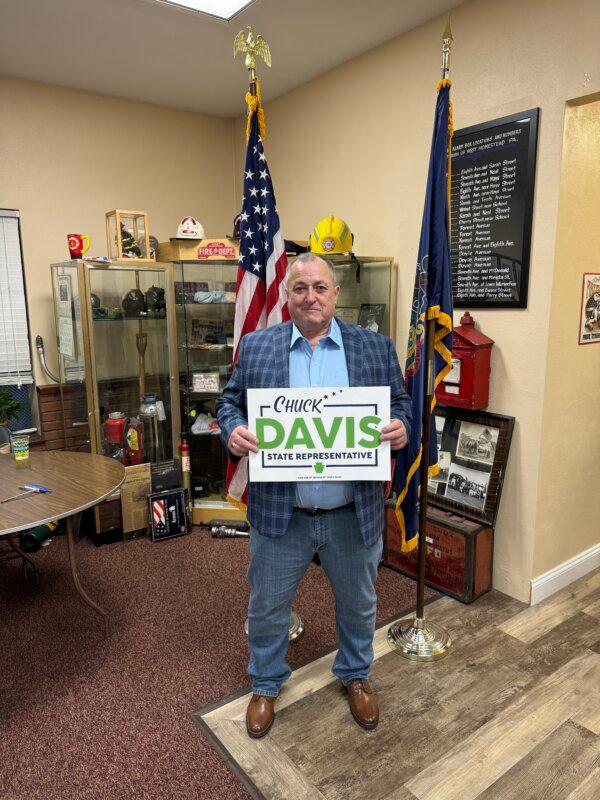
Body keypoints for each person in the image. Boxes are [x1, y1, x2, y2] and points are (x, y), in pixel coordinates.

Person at [216, 253, 411, 738]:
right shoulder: (257, 346)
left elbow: (400, 402)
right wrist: (233, 428)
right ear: (287, 295)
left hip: (351, 511)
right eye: (300, 288)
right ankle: (265, 682)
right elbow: (228, 401)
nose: (310, 297)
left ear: (335, 293)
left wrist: (402, 426)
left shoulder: (374, 347)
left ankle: (356, 674)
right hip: (283, 512)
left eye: (320, 288)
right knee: (267, 605)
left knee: (359, 603)